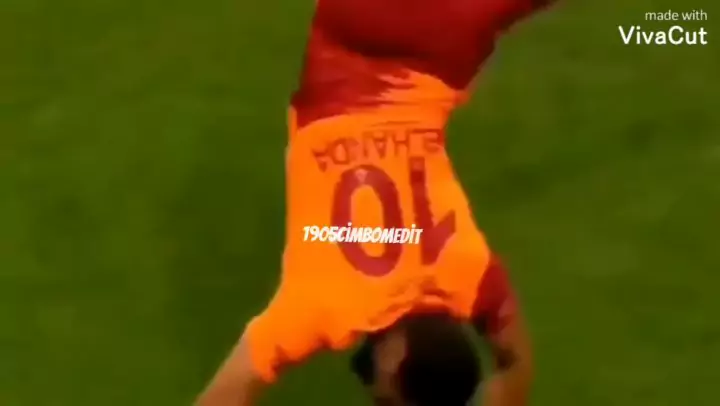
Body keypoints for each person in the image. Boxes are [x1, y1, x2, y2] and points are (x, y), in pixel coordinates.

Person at [196, 0, 554, 404]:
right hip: (355, 28)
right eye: (386, 400)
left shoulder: (471, 276)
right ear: (396, 358)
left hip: (444, 47)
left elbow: (515, 362)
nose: (376, 396)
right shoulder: (320, 307)